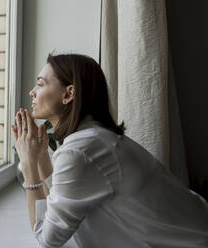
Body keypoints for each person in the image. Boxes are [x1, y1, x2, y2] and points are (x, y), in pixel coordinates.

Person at [11, 53, 208, 248]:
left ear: (69, 94)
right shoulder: (94, 137)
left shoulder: (80, 151)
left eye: (41, 83)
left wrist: (28, 164)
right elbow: (57, 203)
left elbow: (48, 239)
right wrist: (41, 155)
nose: (32, 92)